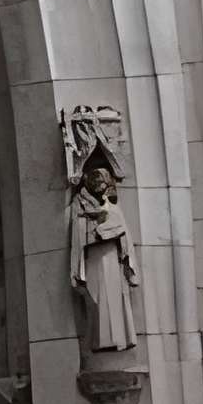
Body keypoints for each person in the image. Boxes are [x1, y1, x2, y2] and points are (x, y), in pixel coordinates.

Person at [68, 148, 139, 353]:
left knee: (116, 300)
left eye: (104, 180)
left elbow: (124, 236)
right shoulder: (80, 205)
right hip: (95, 259)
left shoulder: (112, 206)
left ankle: (119, 339)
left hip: (112, 258)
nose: (101, 185)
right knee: (97, 299)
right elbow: (80, 235)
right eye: (96, 179)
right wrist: (100, 230)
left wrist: (129, 263)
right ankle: (100, 341)